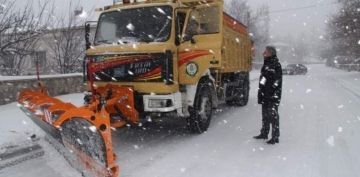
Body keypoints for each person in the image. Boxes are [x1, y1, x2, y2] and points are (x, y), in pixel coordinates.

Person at [254, 46, 282, 144]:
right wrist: (261, 90)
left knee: (273, 116)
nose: (263, 53)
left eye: (265, 52)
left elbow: (277, 81)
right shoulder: (267, 63)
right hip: (265, 94)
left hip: (272, 96)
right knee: (265, 115)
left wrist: (271, 91)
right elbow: (264, 78)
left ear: (271, 53)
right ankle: (264, 133)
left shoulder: (276, 64)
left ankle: (275, 137)